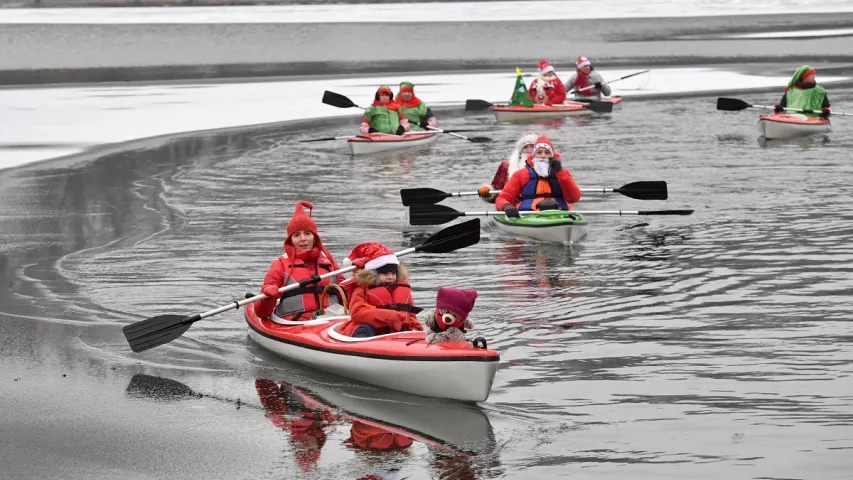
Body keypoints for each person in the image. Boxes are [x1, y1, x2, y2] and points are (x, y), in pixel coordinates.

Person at [256, 201, 344, 323]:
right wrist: (268, 297)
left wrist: (358, 274)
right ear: (291, 240)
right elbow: (261, 313)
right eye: (297, 235)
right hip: (295, 324)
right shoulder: (280, 264)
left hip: (331, 320)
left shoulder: (328, 259)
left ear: (314, 238)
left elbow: (346, 291)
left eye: (307, 234)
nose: (303, 239)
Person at [338, 242, 423, 338]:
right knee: (365, 329)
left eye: (393, 273)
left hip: (396, 333)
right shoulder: (362, 290)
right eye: (385, 274)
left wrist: (416, 329)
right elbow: (357, 313)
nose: (391, 277)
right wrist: (389, 316)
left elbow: (410, 315)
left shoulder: (403, 290)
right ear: (374, 274)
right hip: (371, 331)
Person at [495, 136, 582, 218]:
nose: (543, 156)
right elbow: (503, 197)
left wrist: (560, 173)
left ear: (552, 156)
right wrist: (506, 206)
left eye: (547, 152)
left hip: (559, 212)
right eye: (539, 152)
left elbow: (574, 198)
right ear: (534, 155)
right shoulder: (520, 175)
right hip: (529, 214)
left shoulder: (563, 173)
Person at [478, 131, 540, 203]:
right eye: (525, 147)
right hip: (513, 207)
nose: (529, 150)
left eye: (532, 146)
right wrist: (487, 193)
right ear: (520, 151)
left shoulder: (551, 164)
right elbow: (497, 194)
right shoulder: (506, 165)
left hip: (542, 205)